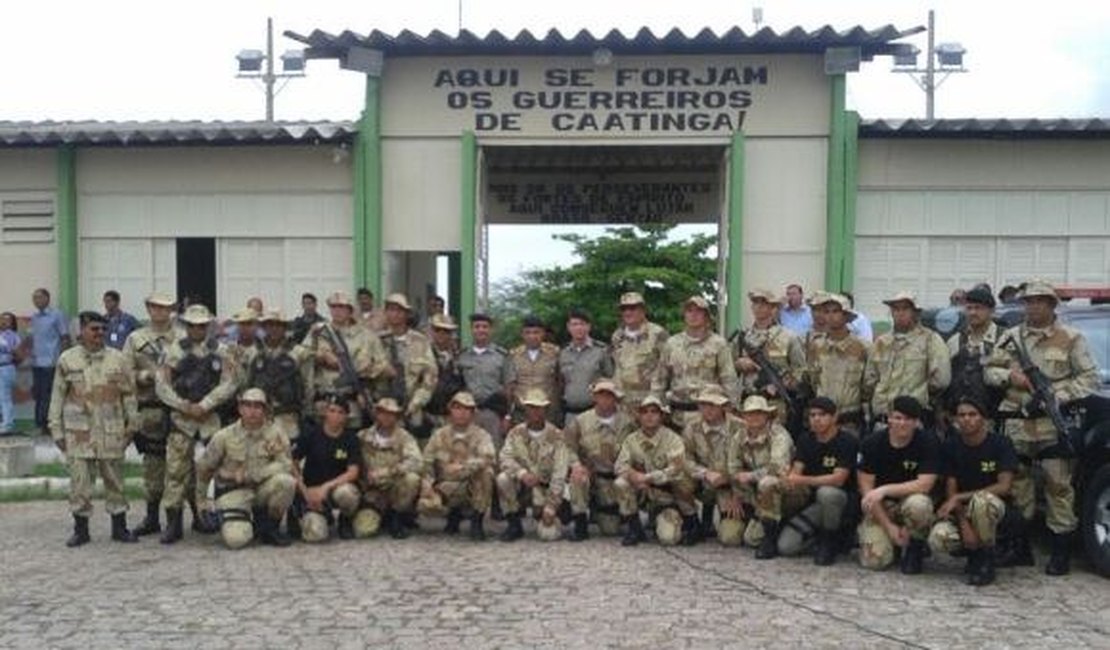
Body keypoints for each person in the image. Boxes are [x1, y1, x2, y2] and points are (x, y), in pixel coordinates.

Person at [986, 279, 1099, 575]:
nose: (1033, 306)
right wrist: (1011, 378)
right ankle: (1019, 547)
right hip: (1018, 423)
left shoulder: (1071, 338)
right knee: (1018, 484)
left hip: (1052, 423)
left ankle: (1060, 551)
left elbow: (1088, 379)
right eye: (1029, 301)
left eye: (1039, 301)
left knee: (1058, 486)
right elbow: (990, 370)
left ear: (1051, 305)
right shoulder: (1011, 337)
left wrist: (1055, 396)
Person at [49, 311, 140, 547]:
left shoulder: (118, 359)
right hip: (79, 433)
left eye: (102, 329)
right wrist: (56, 430)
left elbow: (129, 395)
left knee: (115, 482)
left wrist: (132, 425)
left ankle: (119, 528)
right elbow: (57, 397)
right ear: (81, 331)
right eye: (94, 329)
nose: (99, 333)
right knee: (80, 483)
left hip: (112, 430)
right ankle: (81, 530)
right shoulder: (67, 360)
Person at [154, 304, 238, 544]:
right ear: (186, 326)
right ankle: (173, 523)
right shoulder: (172, 352)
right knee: (175, 472)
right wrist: (184, 406)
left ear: (208, 326)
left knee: (213, 471)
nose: (197, 330)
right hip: (182, 421)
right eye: (192, 325)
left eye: (201, 326)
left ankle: (208, 516)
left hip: (210, 420)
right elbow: (162, 385)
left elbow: (230, 383)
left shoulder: (222, 351)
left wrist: (206, 404)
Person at [928, 397, 1017, 586]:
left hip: (995, 510)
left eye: (972, 414)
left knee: (982, 500)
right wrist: (963, 523)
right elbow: (951, 492)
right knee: (939, 538)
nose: (967, 419)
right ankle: (973, 554)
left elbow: (1004, 486)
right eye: (961, 415)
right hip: (963, 511)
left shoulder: (1001, 444)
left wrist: (961, 496)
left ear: (984, 418)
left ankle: (986, 559)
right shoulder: (950, 446)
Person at [196, 388, 296, 549]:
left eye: (258, 406)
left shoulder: (275, 433)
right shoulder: (224, 436)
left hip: (262, 489)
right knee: (236, 540)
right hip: (233, 491)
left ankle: (269, 528)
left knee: (286, 482)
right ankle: (243, 521)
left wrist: (254, 475)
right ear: (240, 409)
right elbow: (204, 469)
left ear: (265, 410)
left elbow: (286, 464)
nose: (252, 411)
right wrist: (202, 504)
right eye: (247, 405)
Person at [857, 396, 939, 574]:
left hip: (909, 504)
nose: (902, 423)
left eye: (909, 419)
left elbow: (925, 484)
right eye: (898, 418)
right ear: (889, 419)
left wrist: (885, 489)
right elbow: (867, 491)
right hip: (881, 507)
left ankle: (915, 547)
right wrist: (889, 527)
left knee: (919, 504)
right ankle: (891, 542)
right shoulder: (871, 444)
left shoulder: (928, 442)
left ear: (916, 422)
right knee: (874, 561)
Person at [121, 293, 181, 536]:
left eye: (165, 308)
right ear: (147, 308)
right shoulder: (136, 339)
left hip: (178, 410)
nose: (160, 312)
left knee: (180, 466)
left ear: (172, 310)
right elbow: (124, 374)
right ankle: (152, 517)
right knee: (153, 465)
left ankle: (183, 518)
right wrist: (144, 377)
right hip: (150, 409)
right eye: (155, 307)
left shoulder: (182, 338)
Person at [777, 397, 858, 565]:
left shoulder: (847, 441)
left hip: (841, 502)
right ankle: (809, 534)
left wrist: (801, 479)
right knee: (786, 547)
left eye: (822, 415)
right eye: (812, 415)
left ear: (834, 417)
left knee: (827, 492)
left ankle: (829, 540)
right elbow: (796, 472)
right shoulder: (805, 439)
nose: (816, 419)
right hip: (815, 504)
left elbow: (838, 479)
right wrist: (791, 478)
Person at [614, 395, 697, 547]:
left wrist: (647, 478)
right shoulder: (631, 439)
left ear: (662, 416)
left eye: (654, 412)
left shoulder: (673, 439)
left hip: (668, 497)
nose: (649, 416)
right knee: (621, 483)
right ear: (639, 416)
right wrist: (633, 475)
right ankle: (634, 528)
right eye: (644, 412)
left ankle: (690, 523)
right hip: (643, 495)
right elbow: (620, 465)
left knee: (668, 539)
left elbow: (676, 469)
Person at [864, 291, 951, 429]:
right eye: (896, 309)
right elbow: (870, 379)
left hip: (914, 420)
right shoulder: (881, 342)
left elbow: (941, 379)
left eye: (905, 309)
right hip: (882, 420)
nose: (900, 313)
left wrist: (920, 394)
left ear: (915, 313)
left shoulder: (930, 340)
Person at [724, 395, 796, 558]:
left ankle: (770, 539)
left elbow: (778, 467)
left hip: (787, 487)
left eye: (759, 413)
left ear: (767, 415)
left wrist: (751, 475)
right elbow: (733, 468)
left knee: (767, 482)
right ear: (743, 416)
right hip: (756, 493)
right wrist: (736, 495)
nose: (754, 417)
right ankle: (771, 524)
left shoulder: (779, 435)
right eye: (749, 413)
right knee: (750, 539)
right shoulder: (739, 437)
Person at [497, 388, 572, 542]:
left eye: (540, 408)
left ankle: (550, 515)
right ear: (525, 409)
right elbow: (505, 458)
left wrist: (551, 505)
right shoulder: (515, 433)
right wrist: (522, 473)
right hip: (523, 488)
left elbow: (560, 473)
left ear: (546, 410)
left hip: (546, 489)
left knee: (547, 536)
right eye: (531, 407)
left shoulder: (557, 436)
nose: (535, 412)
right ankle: (514, 524)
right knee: (503, 479)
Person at [564, 379, 636, 540]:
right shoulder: (581, 421)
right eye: (600, 395)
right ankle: (580, 523)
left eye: (609, 396)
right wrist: (576, 464)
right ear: (594, 398)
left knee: (610, 530)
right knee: (578, 478)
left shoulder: (628, 422)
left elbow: (636, 449)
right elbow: (567, 446)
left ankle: (629, 519)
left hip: (616, 478)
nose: (605, 399)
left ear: (615, 398)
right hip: (592, 477)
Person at [653, 296, 739, 430]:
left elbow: (729, 378)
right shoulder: (672, 343)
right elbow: (659, 379)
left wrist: (732, 409)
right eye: (689, 311)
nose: (693, 315)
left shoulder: (718, 344)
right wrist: (655, 407)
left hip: (708, 416)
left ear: (706, 317)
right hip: (676, 415)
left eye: (698, 312)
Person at [308, 291, 390, 428]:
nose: (337, 311)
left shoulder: (367, 336)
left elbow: (385, 367)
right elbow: (300, 354)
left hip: (353, 404)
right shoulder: (318, 331)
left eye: (342, 307)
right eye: (334, 307)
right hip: (324, 403)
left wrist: (363, 371)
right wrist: (320, 356)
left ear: (350, 310)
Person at [422, 391, 496, 540]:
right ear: (450, 411)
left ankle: (477, 521)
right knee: (425, 504)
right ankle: (452, 514)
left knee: (486, 473)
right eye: (457, 408)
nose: (462, 413)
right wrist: (427, 486)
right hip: (445, 486)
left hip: (471, 485)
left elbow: (489, 458)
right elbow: (426, 462)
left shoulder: (481, 435)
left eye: (467, 409)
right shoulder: (439, 435)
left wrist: (463, 467)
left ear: (473, 413)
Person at [291, 395, 361, 542]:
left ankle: (345, 520)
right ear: (325, 413)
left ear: (346, 417)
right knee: (316, 536)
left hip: (336, 489)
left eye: (340, 412)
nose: (335, 415)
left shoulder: (351, 439)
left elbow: (353, 472)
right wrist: (304, 491)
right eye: (332, 410)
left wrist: (326, 487)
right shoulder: (310, 434)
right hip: (312, 492)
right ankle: (319, 516)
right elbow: (292, 462)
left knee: (348, 494)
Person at [682, 384, 745, 544]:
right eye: (703, 405)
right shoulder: (692, 427)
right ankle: (692, 521)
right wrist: (704, 473)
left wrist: (738, 494)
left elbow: (748, 463)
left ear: (723, 406)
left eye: (713, 405)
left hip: (730, 488)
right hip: (703, 483)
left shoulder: (740, 427)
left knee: (730, 538)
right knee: (680, 479)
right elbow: (684, 459)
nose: (708, 409)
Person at [734, 288, 806, 428]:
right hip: (748, 402)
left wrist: (782, 383)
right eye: (755, 303)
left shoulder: (788, 337)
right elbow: (729, 368)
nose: (759, 307)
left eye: (764, 303)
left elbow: (801, 370)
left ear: (773, 308)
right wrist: (739, 364)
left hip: (775, 404)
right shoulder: (743, 336)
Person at [357, 397, 423, 540]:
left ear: (396, 416)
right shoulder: (362, 436)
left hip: (395, 489)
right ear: (376, 414)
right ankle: (379, 516)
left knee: (412, 479)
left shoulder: (405, 437)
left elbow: (416, 462)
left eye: (391, 413)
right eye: (382, 412)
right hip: (372, 493)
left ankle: (396, 516)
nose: (386, 416)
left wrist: (389, 471)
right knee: (364, 530)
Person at [806, 294, 870, 436]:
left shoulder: (862, 347)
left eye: (836, 311)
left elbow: (867, 385)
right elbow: (813, 379)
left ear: (846, 315)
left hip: (850, 420)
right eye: (827, 312)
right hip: (821, 419)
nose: (830, 316)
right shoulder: (816, 346)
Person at [377, 293, 438, 439]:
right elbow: (364, 369)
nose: (395, 314)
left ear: (406, 314)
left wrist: (414, 403)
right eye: (391, 310)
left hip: (411, 407)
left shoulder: (420, 341)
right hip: (381, 407)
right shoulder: (377, 340)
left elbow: (431, 376)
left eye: (399, 310)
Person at [248, 310, 315, 441]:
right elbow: (246, 383)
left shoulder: (299, 353)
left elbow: (308, 386)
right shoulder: (253, 353)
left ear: (285, 327)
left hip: (288, 418)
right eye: (270, 325)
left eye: (278, 325)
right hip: (258, 417)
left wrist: (306, 413)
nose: (274, 329)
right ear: (264, 327)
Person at [945, 286, 1005, 422]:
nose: (973, 312)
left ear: (991, 311)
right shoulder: (955, 341)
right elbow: (946, 379)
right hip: (959, 420)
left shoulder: (1005, 339)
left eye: (978, 308)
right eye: (969, 308)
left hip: (992, 419)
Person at [456, 313, 511, 446]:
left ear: (491, 330)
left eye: (485, 327)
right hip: (468, 412)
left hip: (493, 413)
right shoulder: (462, 356)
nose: (481, 330)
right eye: (477, 327)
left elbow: (509, 387)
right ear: (471, 330)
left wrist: (507, 416)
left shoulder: (501, 356)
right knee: (466, 451)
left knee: (493, 451)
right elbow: (457, 386)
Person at [610, 291, 668, 417]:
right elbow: (618, 368)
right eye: (624, 309)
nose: (627, 312)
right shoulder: (617, 336)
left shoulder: (657, 334)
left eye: (632, 308)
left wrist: (655, 400)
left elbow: (664, 369)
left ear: (642, 310)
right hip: (623, 403)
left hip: (649, 403)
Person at [558, 309, 613, 427]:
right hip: (570, 414)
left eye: (582, 324)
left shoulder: (601, 351)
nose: (578, 328)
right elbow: (560, 382)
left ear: (589, 327)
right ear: (568, 327)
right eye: (574, 324)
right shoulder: (563, 353)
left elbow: (610, 378)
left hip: (594, 412)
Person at [29, 288, 71, 433]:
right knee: (38, 394)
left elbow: (65, 337)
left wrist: (62, 359)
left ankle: (46, 425)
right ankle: (39, 424)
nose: (36, 300)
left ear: (47, 298)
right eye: (34, 298)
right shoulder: (34, 317)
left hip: (51, 362)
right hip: (36, 362)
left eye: (39, 297)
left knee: (48, 395)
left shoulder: (57, 315)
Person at [507, 315, 561, 424]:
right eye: (528, 332)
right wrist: (508, 414)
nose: (532, 336)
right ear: (522, 334)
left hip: (547, 413)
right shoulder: (514, 355)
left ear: (543, 333)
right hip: (521, 414)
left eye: (536, 332)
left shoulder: (554, 353)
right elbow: (510, 386)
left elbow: (560, 381)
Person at [426, 314, 464, 428]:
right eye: (437, 330)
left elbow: (464, 385)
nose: (441, 334)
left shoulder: (460, 356)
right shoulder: (422, 354)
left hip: (451, 417)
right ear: (431, 331)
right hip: (426, 415)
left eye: (446, 331)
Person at [0, 312, 23, 434]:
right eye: (1, 319)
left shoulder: (13, 336)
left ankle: (8, 424)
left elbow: (20, 356)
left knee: (4, 397)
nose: (3, 322)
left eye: (7, 320)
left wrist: (11, 359)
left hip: (5, 368)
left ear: (12, 323)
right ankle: (4, 421)